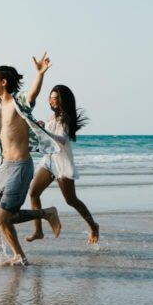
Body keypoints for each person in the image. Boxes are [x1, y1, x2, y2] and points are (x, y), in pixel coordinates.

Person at [0, 52, 61, 266]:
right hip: (4, 167)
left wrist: (40, 74)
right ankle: (24, 247)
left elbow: (31, 95)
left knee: (3, 217)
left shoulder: (18, 102)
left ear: (4, 82)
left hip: (20, 166)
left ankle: (39, 225)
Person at [25, 85, 99, 244]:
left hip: (62, 163)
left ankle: (93, 226)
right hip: (49, 161)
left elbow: (62, 139)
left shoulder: (65, 119)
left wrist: (44, 131)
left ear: (62, 100)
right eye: (50, 98)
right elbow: (47, 138)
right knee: (33, 193)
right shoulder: (51, 118)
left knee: (71, 200)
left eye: (55, 98)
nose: (52, 101)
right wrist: (42, 127)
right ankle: (38, 230)